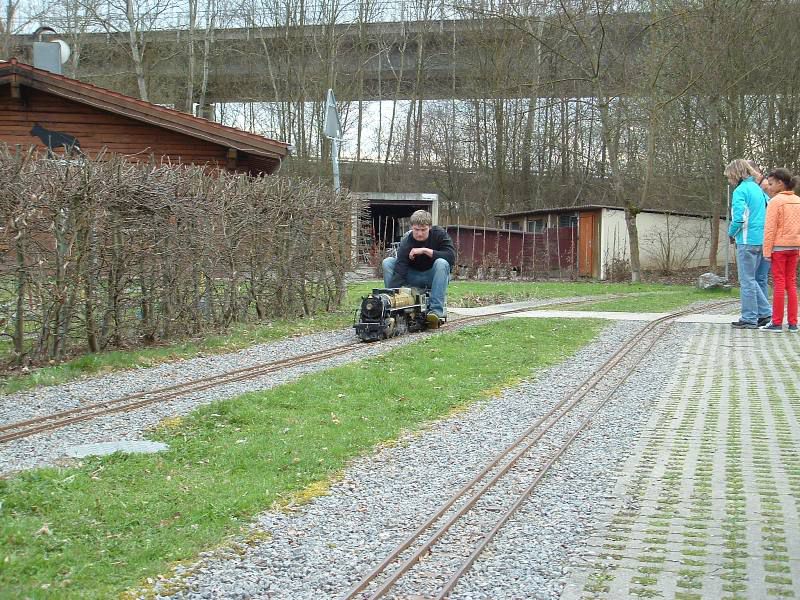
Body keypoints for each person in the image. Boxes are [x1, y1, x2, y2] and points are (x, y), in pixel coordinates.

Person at [382, 210, 456, 328]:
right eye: (416, 230)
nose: (420, 234)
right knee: (388, 262)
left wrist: (425, 250)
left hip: (433, 276)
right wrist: (391, 292)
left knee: (442, 263)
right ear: (411, 227)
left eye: (423, 230)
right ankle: (390, 304)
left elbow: (451, 257)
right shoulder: (407, 241)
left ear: (430, 227)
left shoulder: (440, 234)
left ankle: (435, 311)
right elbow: (400, 268)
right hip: (413, 277)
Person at [725, 159, 771, 329]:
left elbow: (739, 218)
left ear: (735, 174)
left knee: (747, 281)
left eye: (729, 177)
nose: (729, 181)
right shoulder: (759, 191)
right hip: (763, 239)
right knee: (757, 279)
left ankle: (751, 317)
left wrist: (731, 234)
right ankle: (763, 314)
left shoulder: (740, 191)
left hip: (747, 240)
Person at [761, 168, 800, 332]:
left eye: (771, 184)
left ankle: (776, 322)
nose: (768, 187)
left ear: (780, 183)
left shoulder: (775, 202)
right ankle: (793, 323)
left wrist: (766, 251)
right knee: (791, 283)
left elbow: (770, 229)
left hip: (779, 247)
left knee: (779, 283)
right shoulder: (798, 201)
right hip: (795, 247)